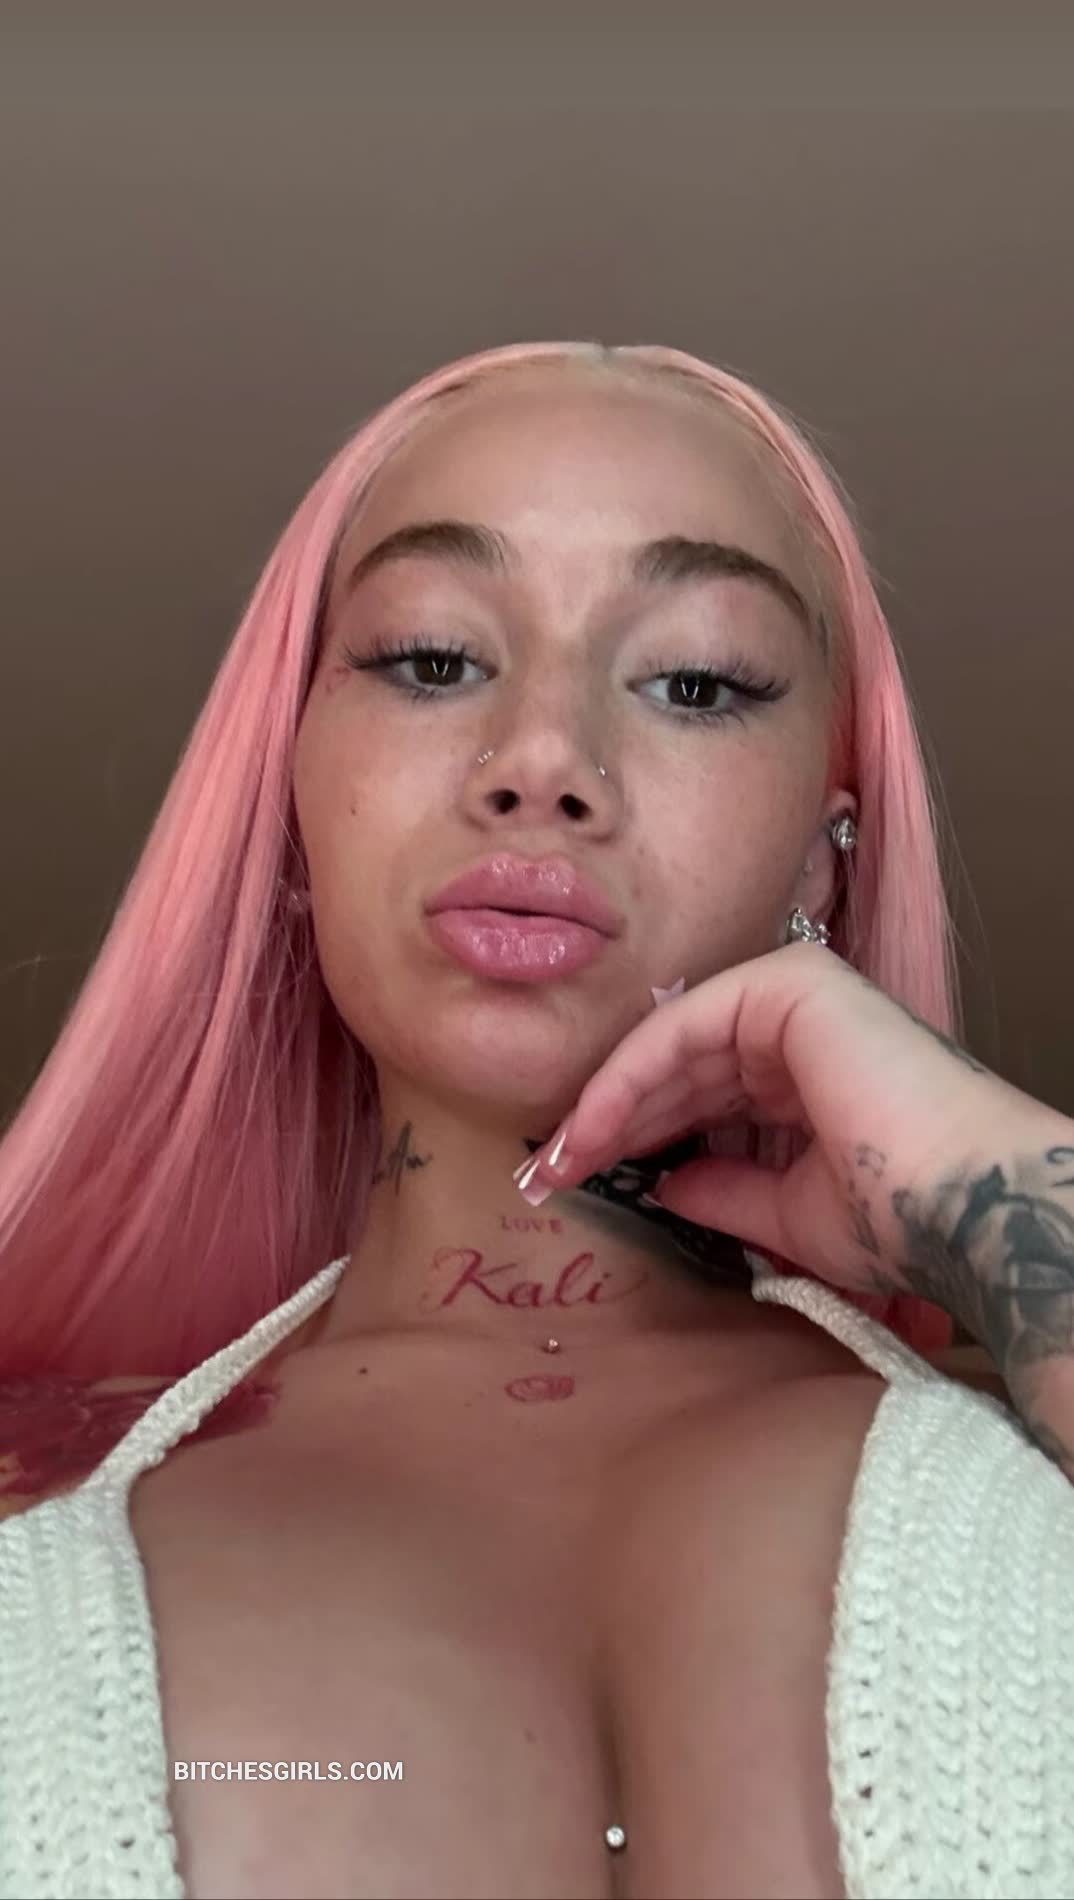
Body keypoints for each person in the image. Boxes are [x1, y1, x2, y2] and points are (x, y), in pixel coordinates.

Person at [0, 341, 1060, 1900]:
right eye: (433, 658)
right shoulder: (30, 1510)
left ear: (817, 862)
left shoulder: (1040, 1449)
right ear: (289, 807)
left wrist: (987, 1191)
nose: (545, 760)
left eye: (695, 682)